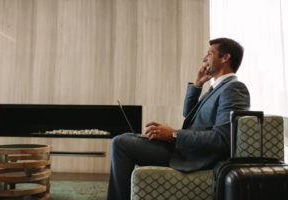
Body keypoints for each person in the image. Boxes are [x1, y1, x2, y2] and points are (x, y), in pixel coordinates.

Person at [107, 38, 250, 200]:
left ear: (225, 58)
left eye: (209, 54)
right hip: (186, 150)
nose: (204, 59)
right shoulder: (218, 88)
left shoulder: (234, 89)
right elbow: (188, 115)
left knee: (120, 144)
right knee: (126, 137)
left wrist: (174, 134)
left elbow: (222, 139)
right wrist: (197, 85)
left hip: (195, 158)